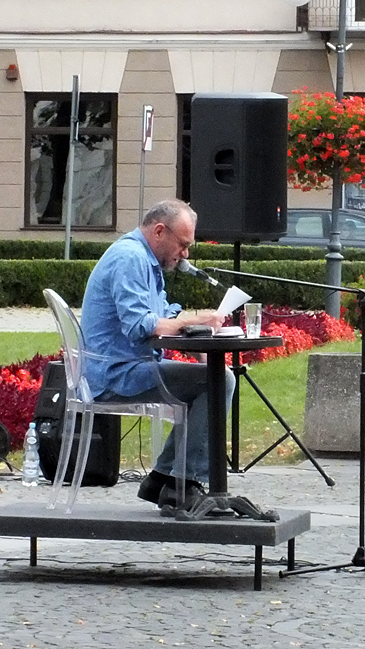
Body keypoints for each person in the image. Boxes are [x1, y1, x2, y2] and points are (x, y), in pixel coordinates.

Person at [80, 199, 235, 508]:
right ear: (160, 231)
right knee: (221, 382)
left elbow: (163, 318)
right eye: (183, 244)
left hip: (125, 366)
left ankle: (162, 480)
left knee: (214, 378)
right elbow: (141, 326)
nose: (185, 254)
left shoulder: (146, 260)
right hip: (114, 374)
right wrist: (195, 322)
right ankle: (183, 484)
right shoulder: (130, 258)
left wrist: (201, 338)